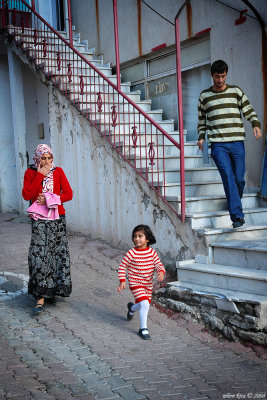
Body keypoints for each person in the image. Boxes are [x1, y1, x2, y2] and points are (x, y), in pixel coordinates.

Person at [197, 59, 262, 228]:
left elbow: (248, 109)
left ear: (226, 75)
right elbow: (201, 120)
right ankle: (237, 217)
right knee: (228, 177)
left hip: (237, 142)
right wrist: (201, 136)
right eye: (217, 76)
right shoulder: (204, 96)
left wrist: (255, 124)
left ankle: (234, 201)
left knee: (239, 180)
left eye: (223, 76)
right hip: (218, 145)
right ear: (212, 75)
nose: (220, 80)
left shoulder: (235, 91)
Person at [22, 144, 73, 313]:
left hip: (57, 218)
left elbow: (68, 193)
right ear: (37, 158)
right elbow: (27, 194)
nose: (46, 162)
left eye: (49, 158)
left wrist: (51, 199)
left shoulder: (58, 171)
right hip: (39, 219)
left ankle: (53, 290)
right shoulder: (31, 172)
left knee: (56, 253)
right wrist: (39, 175)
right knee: (39, 254)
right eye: (43, 158)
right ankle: (40, 296)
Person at [117, 225, 165, 340]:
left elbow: (159, 265)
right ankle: (143, 329)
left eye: (140, 236)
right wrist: (122, 281)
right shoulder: (131, 253)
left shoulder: (152, 253)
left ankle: (132, 308)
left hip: (148, 284)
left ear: (147, 239)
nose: (137, 239)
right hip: (135, 283)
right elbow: (122, 266)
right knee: (144, 304)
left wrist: (161, 272)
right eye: (135, 236)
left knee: (144, 304)